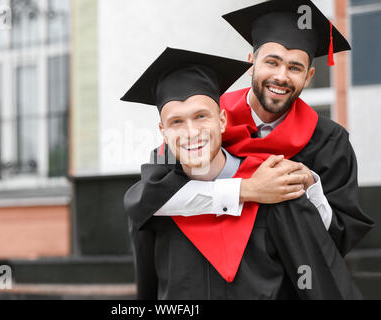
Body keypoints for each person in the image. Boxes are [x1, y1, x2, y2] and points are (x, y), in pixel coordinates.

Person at [123, 0, 374, 299]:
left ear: (308, 76)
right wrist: (248, 189)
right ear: (252, 62)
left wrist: (311, 187)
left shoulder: (329, 141)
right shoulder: (203, 119)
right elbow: (151, 198)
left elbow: (334, 240)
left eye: (294, 67)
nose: (281, 76)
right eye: (272, 62)